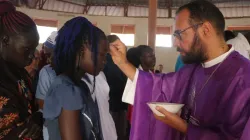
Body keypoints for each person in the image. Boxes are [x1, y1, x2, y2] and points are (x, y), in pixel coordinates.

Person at [110, 0, 250, 140]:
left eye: (179, 34)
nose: (175, 43)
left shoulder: (244, 77)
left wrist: (184, 127)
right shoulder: (193, 69)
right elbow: (159, 86)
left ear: (205, 30)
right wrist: (123, 62)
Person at [43, 17, 108, 140]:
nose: (105, 61)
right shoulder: (67, 89)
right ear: (81, 50)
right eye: (102, 54)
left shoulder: (79, 85)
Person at [0, 0, 43, 139]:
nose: (32, 55)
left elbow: (32, 111)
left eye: (34, 47)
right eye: (27, 49)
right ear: (5, 40)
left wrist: (37, 119)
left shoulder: (20, 74)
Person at [104, 35, 128, 140]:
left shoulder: (119, 60)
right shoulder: (108, 61)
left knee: (117, 132)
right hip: (113, 104)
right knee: (115, 133)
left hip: (116, 104)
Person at [82, 72, 118, 140]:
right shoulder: (81, 83)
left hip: (107, 131)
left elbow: (105, 106)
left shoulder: (100, 75)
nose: (104, 61)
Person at [35, 31, 57, 140]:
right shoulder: (46, 71)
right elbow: (41, 102)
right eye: (46, 55)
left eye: (49, 55)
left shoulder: (82, 73)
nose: (47, 60)